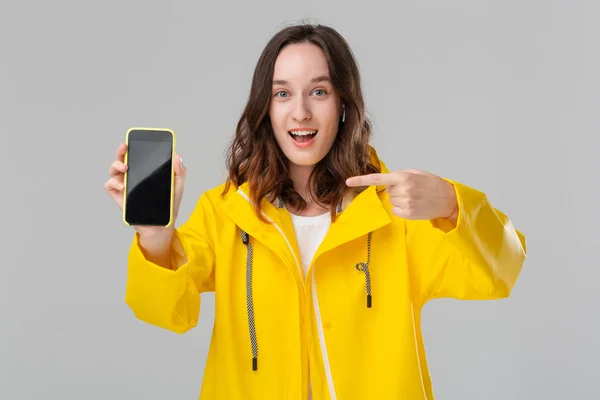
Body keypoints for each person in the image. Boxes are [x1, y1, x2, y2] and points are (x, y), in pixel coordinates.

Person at [105, 23, 527, 400]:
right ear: (265, 109)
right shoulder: (226, 211)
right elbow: (166, 312)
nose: (301, 111)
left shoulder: (396, 212)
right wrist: (155, 237)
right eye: (282, 93)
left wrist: (454, 204)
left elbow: (500, 272)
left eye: (319, 91)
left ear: (343, 104)